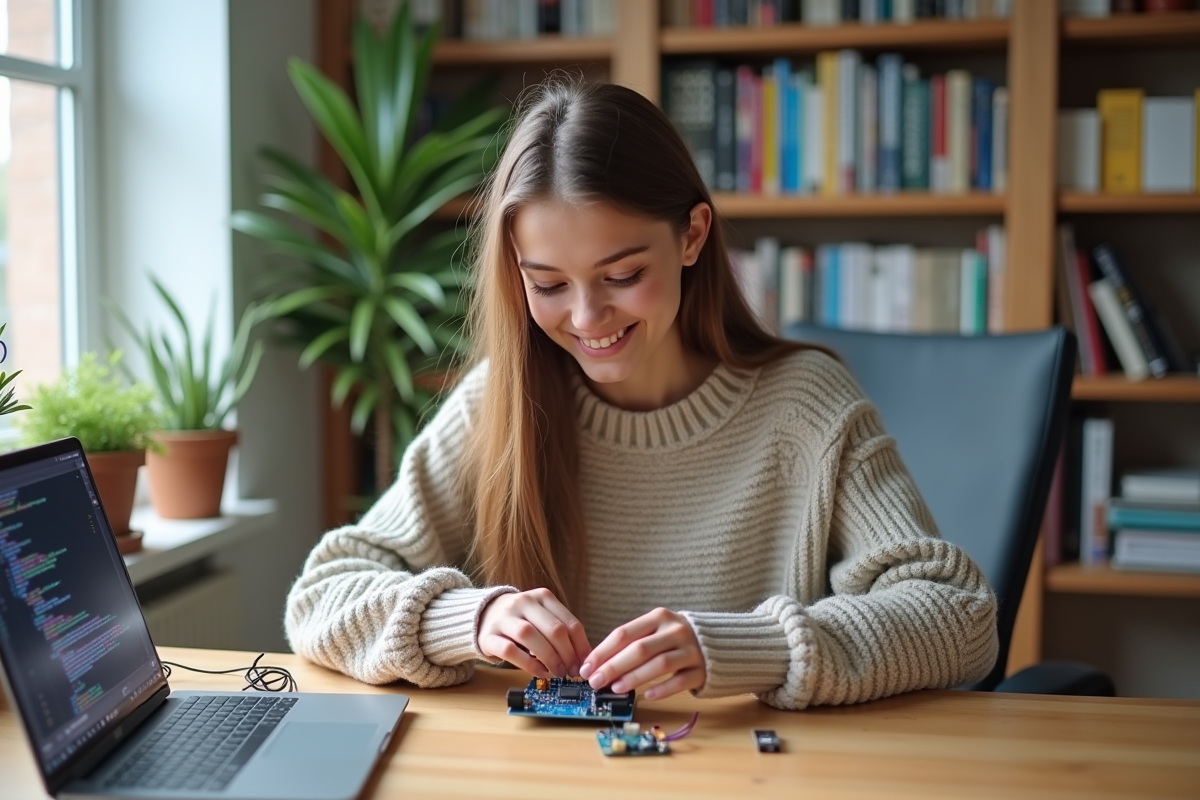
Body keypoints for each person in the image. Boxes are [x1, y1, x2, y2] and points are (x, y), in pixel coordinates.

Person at [284, 79, 998, 709]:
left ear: (691, 235)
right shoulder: (498, 402)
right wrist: (466, 618)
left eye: (622, 275)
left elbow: (959, 617)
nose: (588, 320)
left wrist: (745, 646)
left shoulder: (807, 406)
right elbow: (322, 595)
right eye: (549, 284)